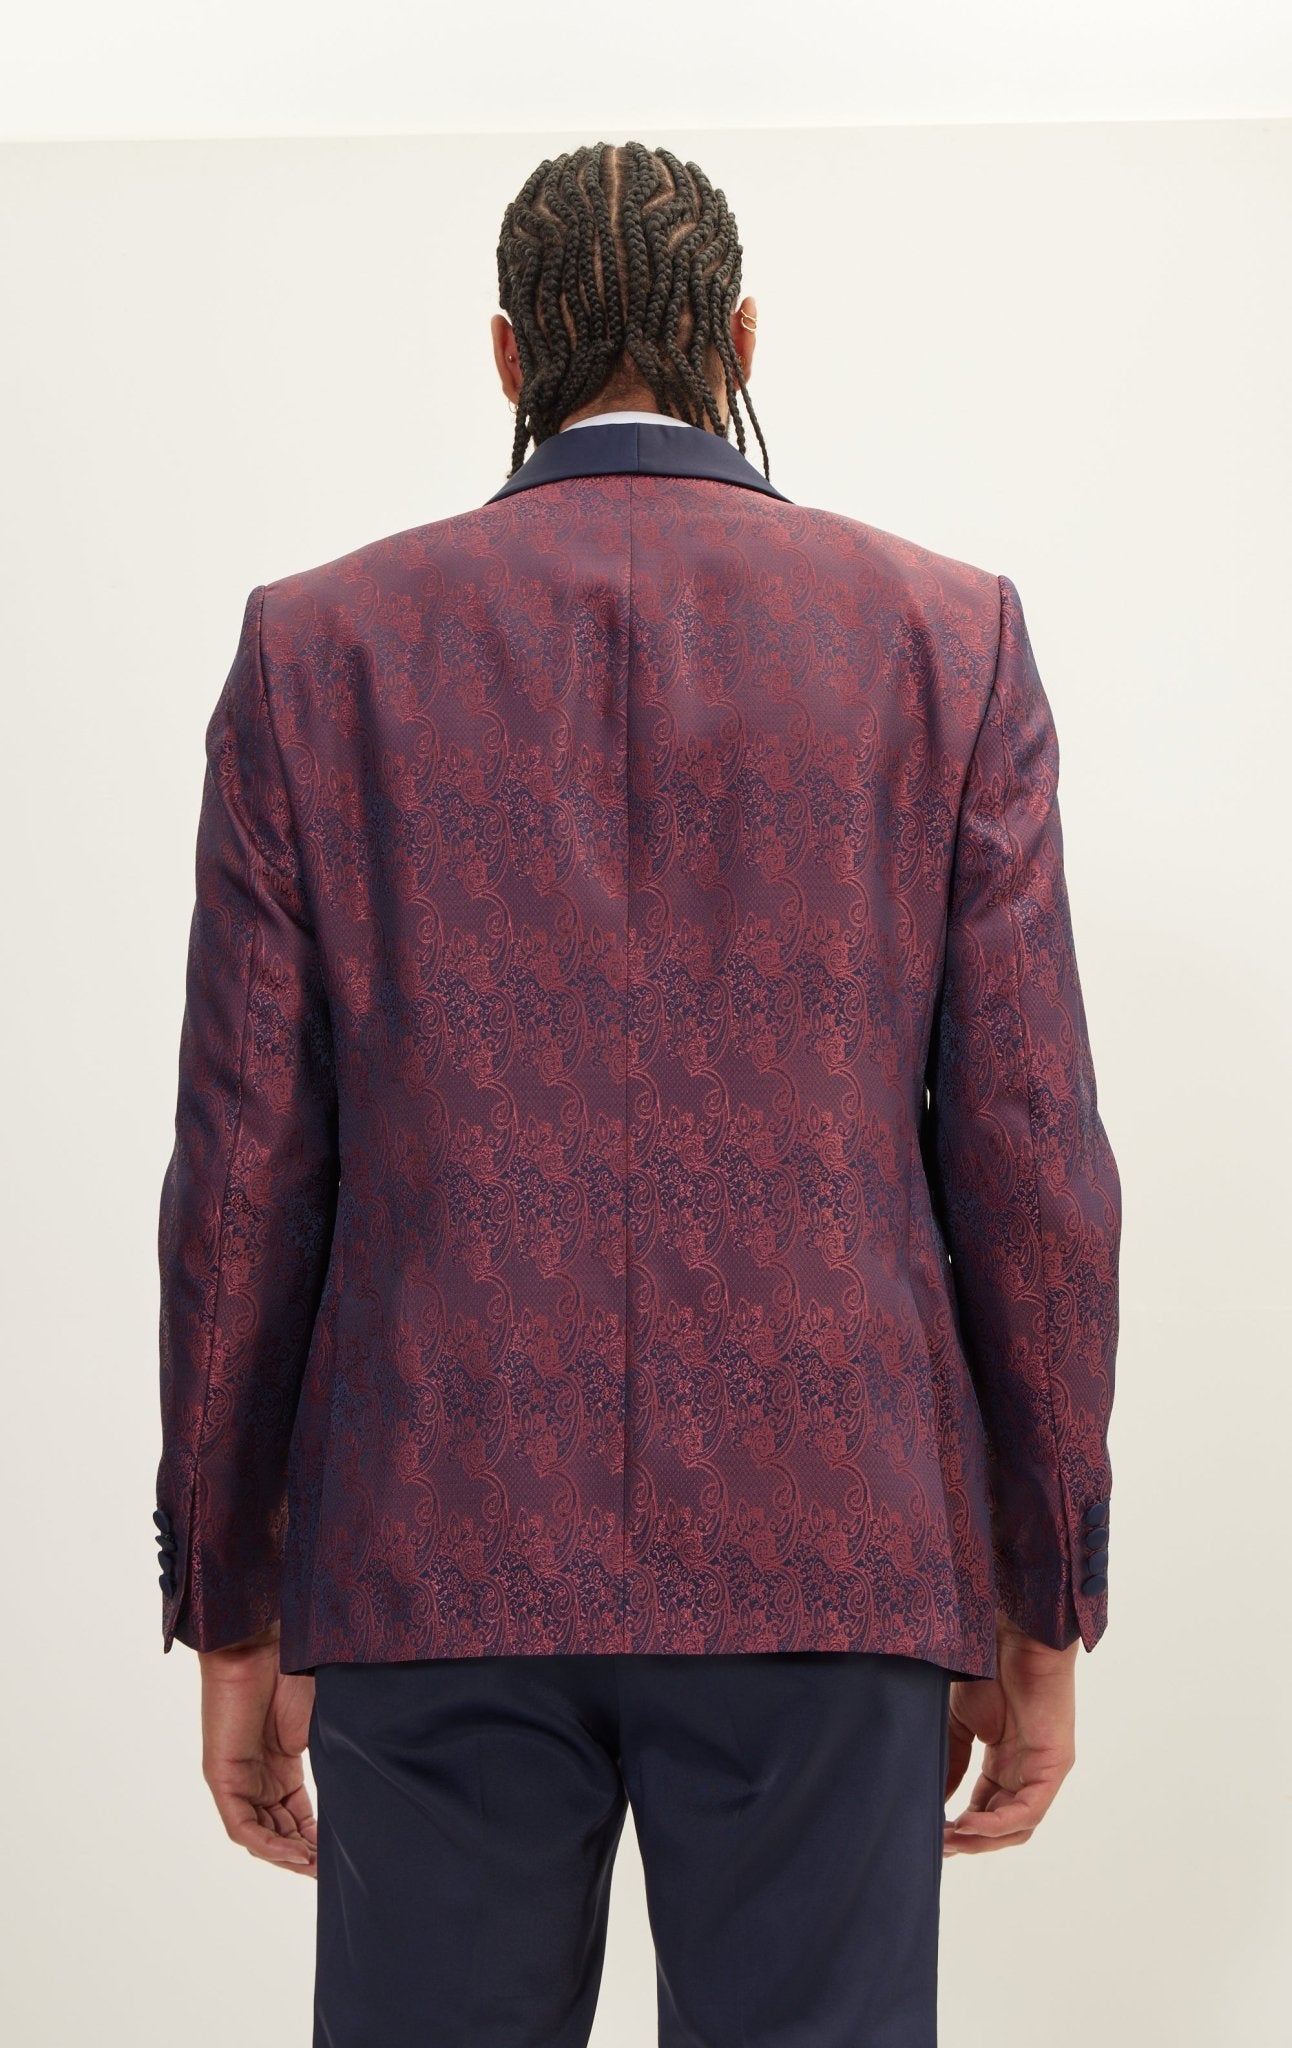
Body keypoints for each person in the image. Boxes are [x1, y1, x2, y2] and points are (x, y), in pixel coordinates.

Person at [153, 139, 1121, 2046]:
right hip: (829, 1543)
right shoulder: (945, 641)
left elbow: (243, 1176)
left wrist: (236, 1604)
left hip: (432, 1543)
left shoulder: (318, 652)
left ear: (507, 357)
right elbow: (1031, 1165)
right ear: (741, 339)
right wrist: (1047, 1590)